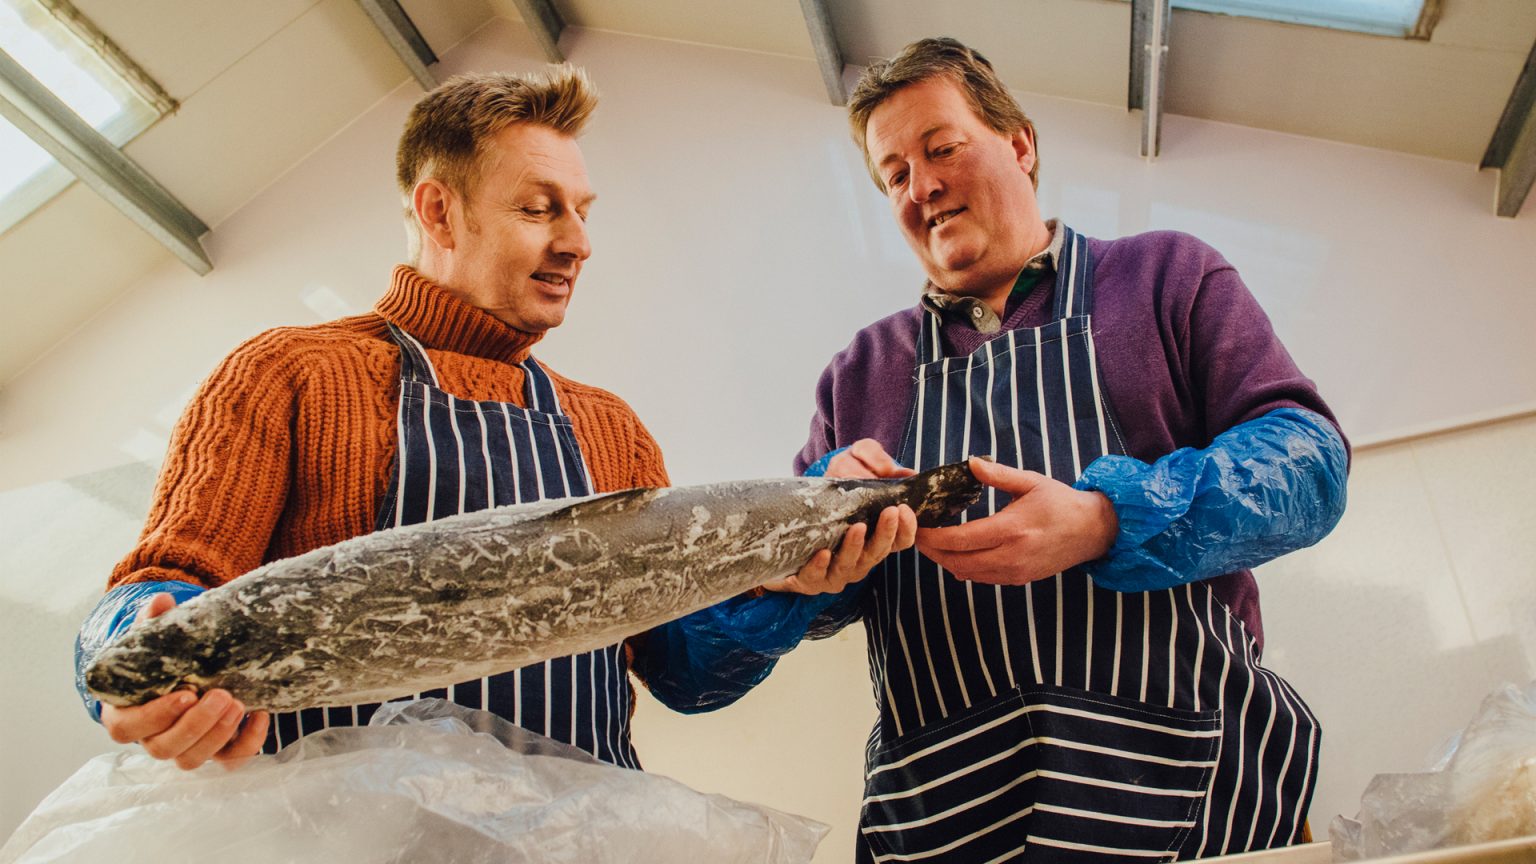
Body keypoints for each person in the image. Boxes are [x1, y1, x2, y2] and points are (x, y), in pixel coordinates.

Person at [72, 65, 915, 773]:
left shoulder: (610, 428)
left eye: (583, 210)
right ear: (439, 211)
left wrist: (784, 581)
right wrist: (136, 664)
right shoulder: (288, 374)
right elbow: (154, 592)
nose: (579, 241)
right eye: (540, 209)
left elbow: (686, 676)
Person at [644, 38, 1351, 862]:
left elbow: (1310, 463)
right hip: (946, 821)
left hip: (1191, 793)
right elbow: (696, 675)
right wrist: (794, 570)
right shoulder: (858, 376)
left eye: (941, 148)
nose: (921, 186)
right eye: (894, 175)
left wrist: (1106, 520)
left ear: (1020, 144)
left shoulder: (1166, 278)